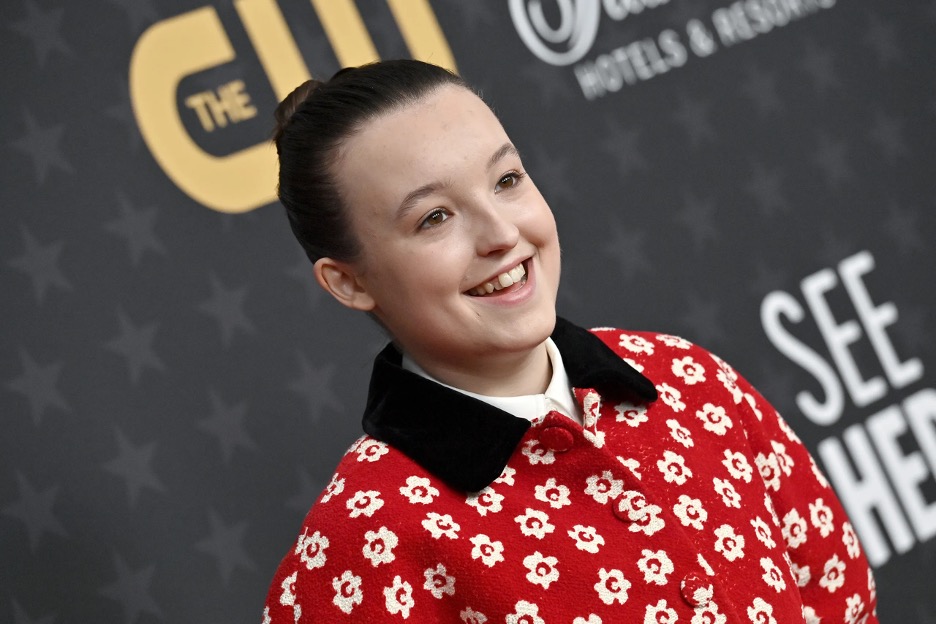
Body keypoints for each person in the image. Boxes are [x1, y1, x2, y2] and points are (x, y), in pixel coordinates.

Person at [263, 60, 877, 623]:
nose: (502, 233)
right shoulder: (358, 545)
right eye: (434, 218)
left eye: (506, 179)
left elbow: (839, 596)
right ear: (347, 282)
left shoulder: (688, 379)